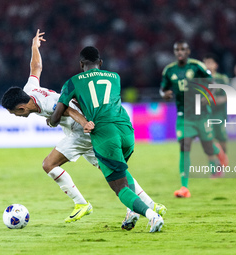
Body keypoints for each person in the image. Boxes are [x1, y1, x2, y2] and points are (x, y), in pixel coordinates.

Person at [1, 30, 166, 229]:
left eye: (14, 113)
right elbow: (36, 67)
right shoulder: (28, 90)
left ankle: (82, 203)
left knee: (49, 164)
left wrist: (84, 123)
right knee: (114, 170)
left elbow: (69, 110)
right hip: (94, 130)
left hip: (82, 131)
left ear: (21, 107)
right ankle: (149, 204)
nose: (16, 116)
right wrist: (34, 47)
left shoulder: (49, 103)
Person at [49, 46, 164, 232]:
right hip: (126, 130)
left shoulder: (72, 82)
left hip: (105, 133)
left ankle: (152, 216)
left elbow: (56, 117)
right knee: (123, 174)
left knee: (119, 187)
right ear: (100, 63)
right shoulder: (115, 77)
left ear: (81, 64)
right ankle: (132, 211)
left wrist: (51, 120)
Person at [160, 41, 224, 198]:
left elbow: (213, 84)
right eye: (177, 50)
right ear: (174, 52)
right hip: (184, 116)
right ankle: (184, 187)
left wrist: (208, 96)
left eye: (183, 49)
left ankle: (219, 154)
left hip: (201, 115)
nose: (180, 52)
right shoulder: (169, 70)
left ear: (188, 51)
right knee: (184, 146)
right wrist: (164, 95)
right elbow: (162, 89)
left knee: (208, 148)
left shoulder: (197, 66)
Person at [203, 54, 229, 169]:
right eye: (206, 63)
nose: (208, 65)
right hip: (206, 114)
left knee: (222, 140)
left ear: (215, 65)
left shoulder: (222, 78)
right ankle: (213, 168)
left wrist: (221, 99)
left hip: (220, 113)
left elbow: (229, 94)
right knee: (208, 141)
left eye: (210, 63)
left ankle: (222, 161)